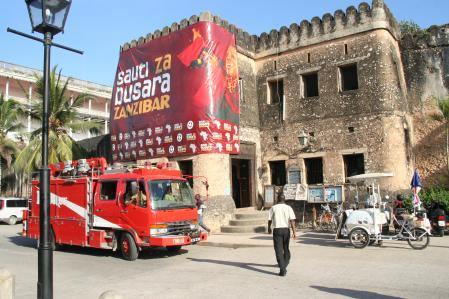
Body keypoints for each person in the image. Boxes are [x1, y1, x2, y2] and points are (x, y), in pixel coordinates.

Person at [267, 194, 296, 277]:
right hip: (286, 230)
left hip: (277, 230)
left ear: (277, 199)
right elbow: (292, 221)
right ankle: (284, 264)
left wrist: (269, 228)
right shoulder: (288, 208)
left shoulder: (273, 208)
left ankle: (282, 268)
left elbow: (269, 220)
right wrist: (294, 232)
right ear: (284, 199)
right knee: (286, 248)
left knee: (278, 250)